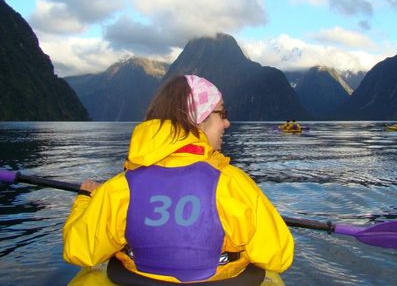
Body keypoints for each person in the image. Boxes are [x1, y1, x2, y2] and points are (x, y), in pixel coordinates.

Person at [63, 75, 294, 285]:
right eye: (222, 114)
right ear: (199, 119)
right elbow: (279, 256)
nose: (227, 123)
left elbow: (79, 250)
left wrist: (86, 200)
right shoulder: (233, 184)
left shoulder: (119, 188)